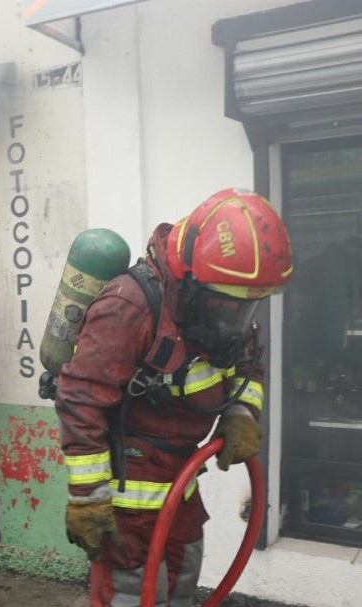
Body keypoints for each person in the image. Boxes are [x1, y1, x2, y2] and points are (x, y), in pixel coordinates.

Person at [54, 188, 293, 607]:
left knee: (183, 583)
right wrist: (88, 497)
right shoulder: (130, 306)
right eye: (230, 306)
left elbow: (250, 362)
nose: (238, 319)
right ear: (193, 282)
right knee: (132, 596)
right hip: (128, 495)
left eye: (250, 307)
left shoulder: (224, 305)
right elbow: (80, 399)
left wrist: (241, 412)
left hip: (181, 485)